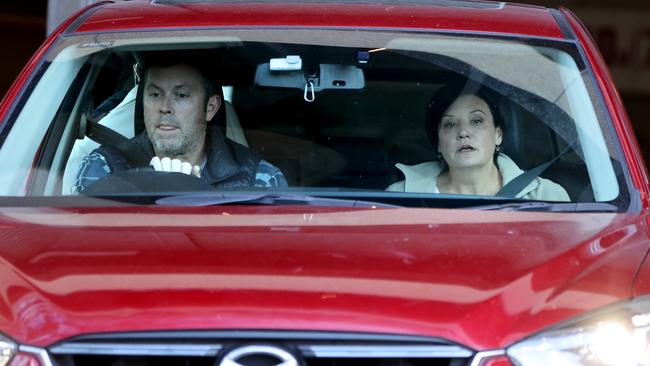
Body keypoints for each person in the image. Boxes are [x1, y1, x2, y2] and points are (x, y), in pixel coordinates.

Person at [73, 53, 287, 193]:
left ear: (210, 108)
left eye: (181, 95)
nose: (165, 107)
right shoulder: (103, 166)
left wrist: (191, 195)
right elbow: (90, 251)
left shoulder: (259, 179)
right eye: (155, 94)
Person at [386, 82, 569, 201]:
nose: (463, 132)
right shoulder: (399, 197)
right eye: (450, 124)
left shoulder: (546, 195)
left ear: (498, 134)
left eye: (476, 121)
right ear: (439, 143)